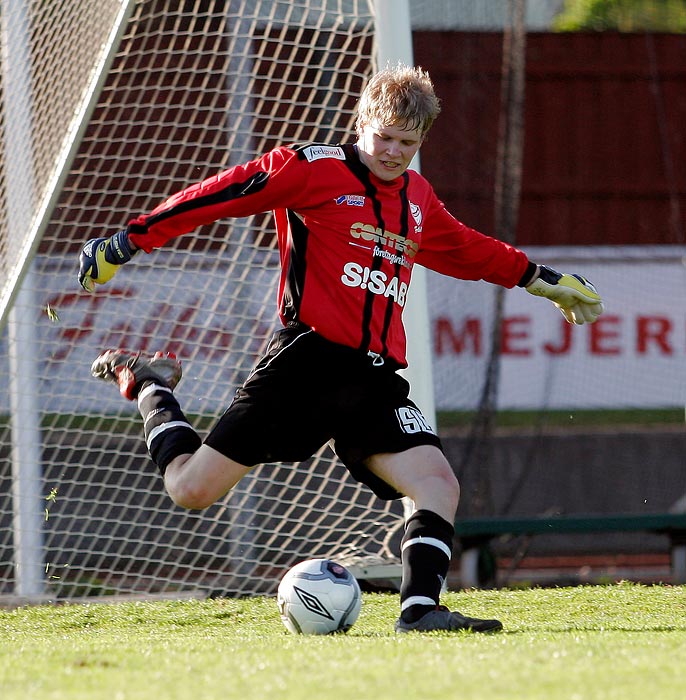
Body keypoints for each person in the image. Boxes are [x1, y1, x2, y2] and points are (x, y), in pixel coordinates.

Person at [78, 64, 603, 633]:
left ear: (422, 141)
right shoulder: (310, 169)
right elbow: (223, 194)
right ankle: (151, 384)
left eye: (408, 142)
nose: (393, 152)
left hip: (374, 379)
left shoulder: (417, 198)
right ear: (361, 123)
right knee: (190, 490)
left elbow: (468, 250)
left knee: (437, 483)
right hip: (304, 366)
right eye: (384, 137)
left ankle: (420, 611)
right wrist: (132, 238)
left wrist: (540, 278)